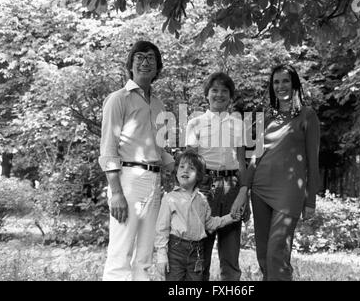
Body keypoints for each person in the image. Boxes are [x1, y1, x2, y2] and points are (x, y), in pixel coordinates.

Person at [236, 64, 320, 281]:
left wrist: (310, 200)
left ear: (294, 84)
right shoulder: (267, 117)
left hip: (289, 191)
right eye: (276, 82)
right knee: (263, 254)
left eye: (285, 81)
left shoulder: (307, 116)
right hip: (260, 188)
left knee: (277, 252)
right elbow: (255, 157)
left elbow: (313, 161)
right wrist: (245, 189)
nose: (280, 86)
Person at [99, 40, 174, 281]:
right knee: (120, 254)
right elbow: (108, 148)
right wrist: (116, 193)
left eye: (151, 57)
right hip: (127, 181)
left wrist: (188, 167)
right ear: (130, 64)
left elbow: (161, 151)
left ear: (157, 67)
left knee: (144, 256)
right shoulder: (118, 99)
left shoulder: (159, 104)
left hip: (154, 182)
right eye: (139, 57)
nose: (145, 62)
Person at [185, 72, 248, 281]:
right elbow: (189, 163)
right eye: (214, 90)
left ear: (231, 96)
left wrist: (243, 194)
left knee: (230, 253)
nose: (219, 95)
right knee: (200, 252)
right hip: (205, 188)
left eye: (224, 91)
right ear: (207, 94)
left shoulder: (238, 124)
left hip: (232, 187)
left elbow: (241, 162)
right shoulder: (195, 123)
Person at [154, 149, 241, 281]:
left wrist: (230, 218)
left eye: (191, 168)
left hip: (197, 252)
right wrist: (161, 256)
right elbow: (162, 229)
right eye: (182, 167)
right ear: (176, 172)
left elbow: (210, 223)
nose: (185, 170)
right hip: (176, 251)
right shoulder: (170, 199)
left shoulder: (202, 200)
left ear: (200, 175)